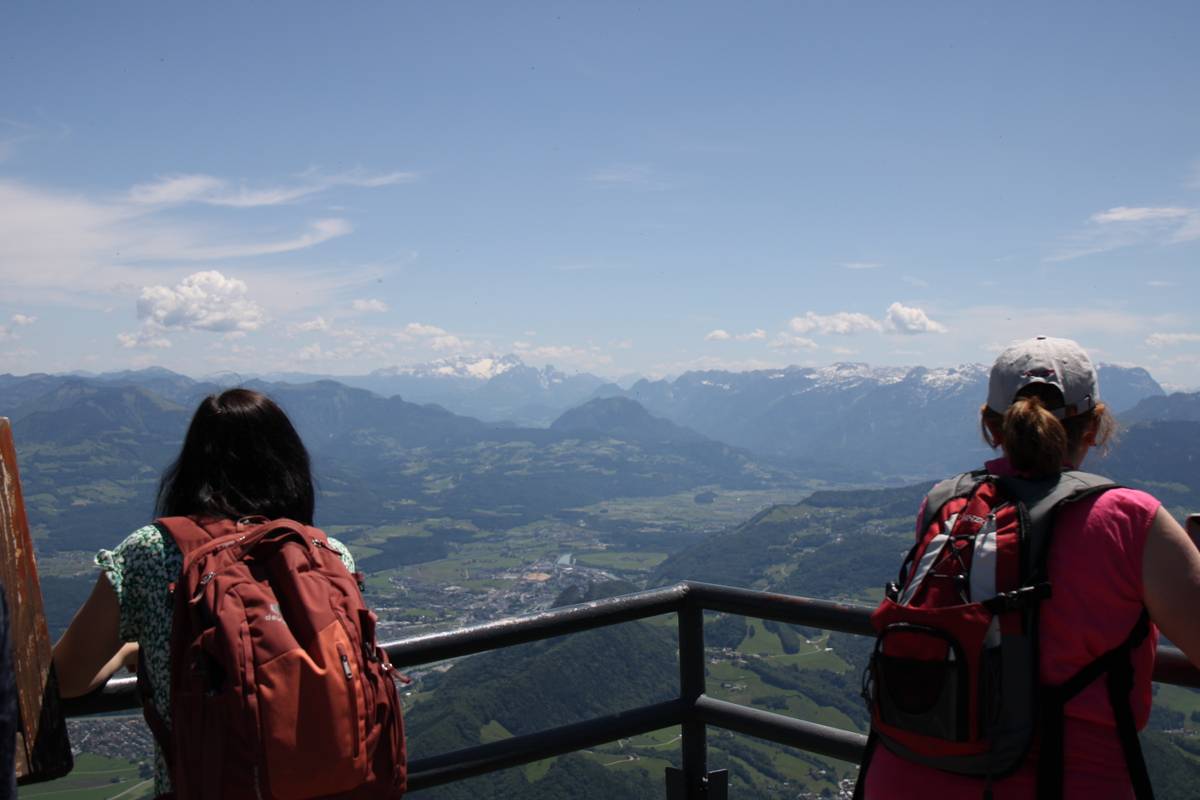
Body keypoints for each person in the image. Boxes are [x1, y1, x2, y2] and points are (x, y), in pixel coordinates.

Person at [864, 336, 1200, 799]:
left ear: (990, 426)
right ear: (1096, 426)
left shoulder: (943, 503)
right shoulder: (1130, 518)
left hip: (899, 774)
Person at [51, 389, 358, 798]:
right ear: (292, 466)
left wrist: (130, 650)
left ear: (191, 466)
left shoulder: (150, 552)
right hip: (322, 785)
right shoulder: (332, 556)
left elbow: (66, 680)